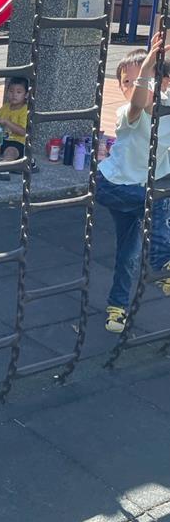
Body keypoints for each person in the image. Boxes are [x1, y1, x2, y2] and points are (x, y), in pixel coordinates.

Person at [96, 36, 170, 334]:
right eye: (127, 81)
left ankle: (117, 308)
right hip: (113, 187)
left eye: (143, 78)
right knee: (160, 200)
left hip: (140, 191)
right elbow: (140, 102)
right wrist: (149, 65)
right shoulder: (128, 113)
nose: (134, 86)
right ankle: (163, 261)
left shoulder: (167, 110)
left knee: (129, 252)